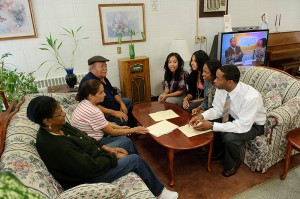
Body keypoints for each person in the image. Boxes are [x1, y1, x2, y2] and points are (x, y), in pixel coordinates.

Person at [27, 96, 178, 199]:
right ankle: (160, 192)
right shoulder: (58, 147)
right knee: (135, 161)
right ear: (47, 121)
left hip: (91, 159)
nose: (64, 113)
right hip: (87, 178)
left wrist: (107, 149)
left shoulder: (58, 126)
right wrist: (112, 157)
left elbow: (85, 139)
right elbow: (90, 168)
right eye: (59, 113)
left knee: (125, 142)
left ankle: (146, 178)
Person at [189, 65, 266, 177]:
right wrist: (202, 116)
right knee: (212, 119)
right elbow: (218, 109)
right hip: (234, 116)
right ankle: (219, 152)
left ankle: (233, 164)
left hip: (253, 125)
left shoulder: (251, 97)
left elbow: (243, 126)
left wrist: (212, 126)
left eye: (218, 79)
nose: (214, 81)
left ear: (229, 82)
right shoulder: (222, 88)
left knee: (230, 137)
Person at [72, 79, 148, 145]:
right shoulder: (93, 111)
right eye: (101, 93)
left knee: (116, 125)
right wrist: (134, 130)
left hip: (87, 138)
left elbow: (103, 122)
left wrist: (119, 127)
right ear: (91, 96)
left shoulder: (84, 102)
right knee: (126, 141)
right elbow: (111, 132)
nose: (104, 94)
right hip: (93, 143)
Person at [78, 56, 134, 127]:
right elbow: (93, 106)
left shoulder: (102, 77)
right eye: (102, 66)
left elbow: (114, 93)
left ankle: (132, 128)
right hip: (104, 113)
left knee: (127, 101)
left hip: (112, 105)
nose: (105, 69)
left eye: (105, 66)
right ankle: (126, 131)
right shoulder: (89, 82)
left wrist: (122, 103)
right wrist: (115, 113)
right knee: (121, 119)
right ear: (92, 69)